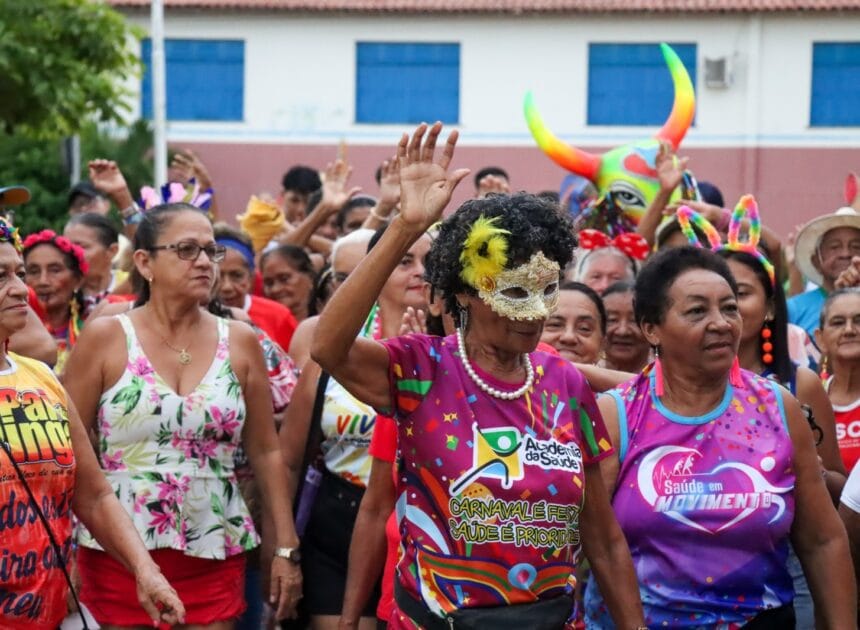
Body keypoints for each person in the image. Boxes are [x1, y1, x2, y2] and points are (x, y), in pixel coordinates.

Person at [313, 122, 644, 629]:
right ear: (465, 293)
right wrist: (405, 225)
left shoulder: (566, 383)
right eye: (513, 294)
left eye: (547, 290)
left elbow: (603, 539)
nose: (535, 313)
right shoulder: (419, 369)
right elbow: (327, 346)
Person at [584, 246, 855, 627]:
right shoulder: (617, 415)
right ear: (651, 328)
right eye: (697, 311)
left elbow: (822, 540)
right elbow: (594, 544)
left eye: (729, 308)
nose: (722, 323)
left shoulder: (778, 407)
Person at [61, 203, 301, 626]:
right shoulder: (106, 337)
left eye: (211, 251)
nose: (205, 262)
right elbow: (68, 454)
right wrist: (62, 549)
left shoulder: (241, 341)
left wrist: (283, 546)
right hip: (117, 551)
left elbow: (265, 451)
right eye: (187, 250)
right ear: (144, 262)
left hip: (214, 545)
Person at [0, 217, 185, 628]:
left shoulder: (42, 378)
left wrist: (145, 571)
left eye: (17, 272)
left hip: (50, 615)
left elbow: (95, 495)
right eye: (1, 276)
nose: (20, 288)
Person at [277, 225, 433, 630]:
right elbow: (288, 460)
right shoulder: (335, 351)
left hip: (427, 525)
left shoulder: (460, 353)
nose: (420, 272)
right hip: (340, 522)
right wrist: (282, 546)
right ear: (375, 271)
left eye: (430, 263)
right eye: (404, 261)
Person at [214, 223, 298, 352]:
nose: (226, 287)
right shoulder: (192, 319)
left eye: (237, 275)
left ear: (251, 277)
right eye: (218, 276)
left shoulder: (278, 317)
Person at [23, 229, 89, 373]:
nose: (43, 281)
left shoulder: (92, 330)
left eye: (55, 270)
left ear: (77, 280)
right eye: (33, 271)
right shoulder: (9, 335)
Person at [789, 207, 860, 340]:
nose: (846, 254)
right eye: (834, 247)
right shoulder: (793, 309)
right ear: (816, 261)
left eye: (856, 247)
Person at [816, 288, 860, 474]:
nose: (849, 330)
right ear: (820, 339)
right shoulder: (809, 398)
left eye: (859, 321)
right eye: (838, 322)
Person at [64, 212, 129, 309]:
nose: (70, 254)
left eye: (81, 246)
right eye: (66, 247)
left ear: (112, 251)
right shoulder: (60, 294)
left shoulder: (133, 285)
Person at [540, 281, 606, 365]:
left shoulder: (621, 378)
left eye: (584, 328)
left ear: (602, 345)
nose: (569, 337)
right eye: (555, 325)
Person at [601, 281, 651, 374]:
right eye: (612, 319)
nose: (622, 331)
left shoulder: (669, 380)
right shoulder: (581, 379)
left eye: (634, 320)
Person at [261, 245, 317, 324]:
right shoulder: (259, 331)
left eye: (284, 279)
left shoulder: (329, 323)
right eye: (269, 283)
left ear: (310, 277)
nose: (275, 289)